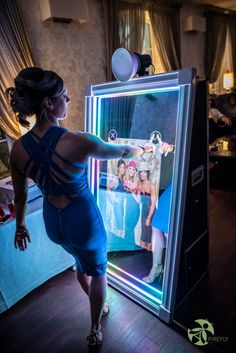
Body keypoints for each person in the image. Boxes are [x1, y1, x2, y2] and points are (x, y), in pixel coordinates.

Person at [6, 67, 144, 347]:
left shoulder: (17, 149)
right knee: (99, 271)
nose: (68, 101)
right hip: (82, 220)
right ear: (48, 103)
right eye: (64, 97)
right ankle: (94, 329)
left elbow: (19, 199)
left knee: (81, 267)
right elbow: (120, 152)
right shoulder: (79, 140)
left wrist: (20, 226)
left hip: (53, 223)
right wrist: (143, 150)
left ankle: (98, 306)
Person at [137, 162, 156, 251]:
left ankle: (147, 258)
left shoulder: (152, 185)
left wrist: (148, 218)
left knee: (148, 237)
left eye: (144, 172)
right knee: (143, 235)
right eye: (141, 172)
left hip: (151, 213)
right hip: (144, 212)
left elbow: (153, 204)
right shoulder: (139, 184)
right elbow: (139, 200)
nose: (142, 174)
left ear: (147, 173)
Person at [107, 159, 126, 237]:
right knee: (120, 225)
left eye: (124, 167)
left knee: (120, 225)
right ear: (118, 168)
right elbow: (108, 188)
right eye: (121, 167)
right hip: (117, 205)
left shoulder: (122, 179)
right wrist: (114, 199)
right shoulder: (116, 178)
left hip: (121, 205)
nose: (122, 169)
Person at [123, 160, 140, 246]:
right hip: (127, 208)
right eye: (130, 168)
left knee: (130, 228)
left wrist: (131, 191)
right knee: (126, 228)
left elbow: (138, 201)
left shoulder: (137, 183)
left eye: (133, 169)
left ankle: (131, 247)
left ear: (135, 171)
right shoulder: (124, 181)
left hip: (134, 209)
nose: (131, 171)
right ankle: (127, 247)